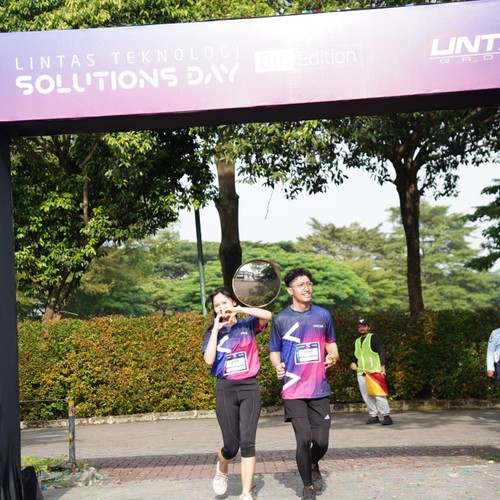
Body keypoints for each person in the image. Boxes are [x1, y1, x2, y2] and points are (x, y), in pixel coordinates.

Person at [269, 268, 339, 500]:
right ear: (290, 290)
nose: (306, 288)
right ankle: (307, 486)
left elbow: (331, 344)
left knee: (321, 442)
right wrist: (278, 365)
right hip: (293, 388)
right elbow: (274, 350)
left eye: (309, 284)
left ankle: (312, 463)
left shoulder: (323, 315)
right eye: (301, 285)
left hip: (319, 388)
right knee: (304, 439)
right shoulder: (281, 319)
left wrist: (333, 356)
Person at [202, 286, 272, 500]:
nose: (221, 307)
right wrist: (216, 329)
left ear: (233, 302)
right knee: (232, 447)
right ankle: (222, 467)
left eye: (224, 302)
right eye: (217, 305)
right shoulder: (212, 333)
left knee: (248, 442)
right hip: (226, 389)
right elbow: (209, 360)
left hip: (249, 388)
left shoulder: (247, 325)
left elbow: (267, 315)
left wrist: (240, 309)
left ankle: (245, 493)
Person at [349, 318, 393, 426]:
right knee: (366, 395)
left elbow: (381, 351)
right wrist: (353, 362)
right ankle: (374, 416)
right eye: (360, 327)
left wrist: (383, 365)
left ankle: (386, 416)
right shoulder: (357, 341)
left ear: (368, 327)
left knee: (378, 394)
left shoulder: (373, 337)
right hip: (361, 372)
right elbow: (355, 355)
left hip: (374, 371)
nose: (362, 328)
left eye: (364, 326)